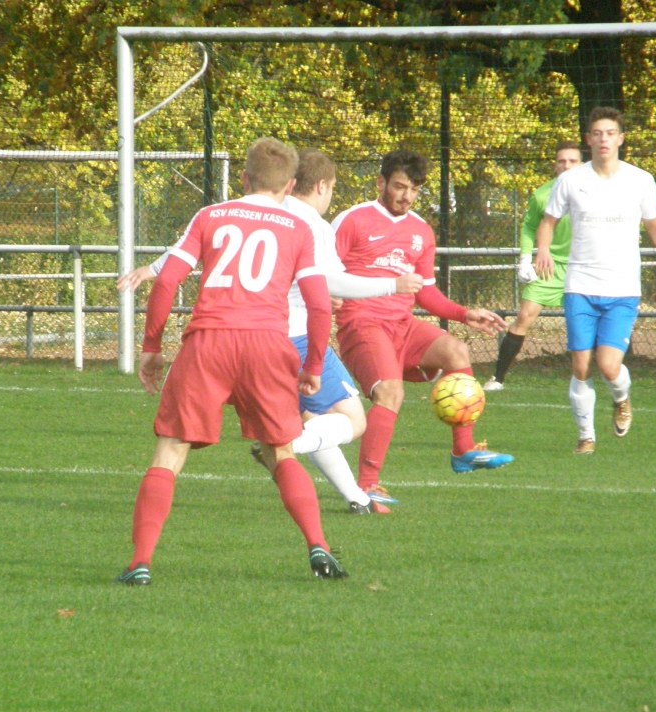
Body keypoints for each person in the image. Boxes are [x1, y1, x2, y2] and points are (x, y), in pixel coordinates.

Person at [118, 149, 426, 515]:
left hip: (222, 337)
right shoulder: (308, 223)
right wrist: (391, 285)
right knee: (352, 419)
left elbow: (196, 242)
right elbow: (326, 283)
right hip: (288, 337)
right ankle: (287, 459)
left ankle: (357, 498)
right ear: (321, 186)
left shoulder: (240, 209)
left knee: (309, 420)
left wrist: (153, 270)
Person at [116, 138, 345, 586]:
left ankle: (140, 563)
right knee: (280, 452)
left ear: (243, 178)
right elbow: (320, 305)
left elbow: (166, 282)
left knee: (170, 450)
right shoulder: (299, 228)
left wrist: (152, 347)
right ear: (290, 185)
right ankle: (319, 547)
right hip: (268, 346)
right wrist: (314, 366)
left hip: (209, 343)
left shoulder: (210, 215)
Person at [332, 149, 514, 494]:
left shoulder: (421, 231)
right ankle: (367, 486)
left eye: (414, 190)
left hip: (402, 325)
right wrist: (327, 296)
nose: (407, 196)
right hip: (363, 324)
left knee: (456, 351)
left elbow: (425, 293)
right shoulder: (352, 220)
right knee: (391, 393)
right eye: (400, 187)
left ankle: (463, 451)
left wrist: (464, 314)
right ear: (381, 182)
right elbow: (321, 271)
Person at [535, 106, 656, 454]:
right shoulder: (570, 180)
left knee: (608, 366)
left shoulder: (640, 180)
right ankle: (586, 436)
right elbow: (548, 222)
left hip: (622, 288)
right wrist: (542, 250)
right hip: (580, 285)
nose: (603, 139)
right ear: (588, 140)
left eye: (610, 133)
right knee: (580, 365)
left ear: (620, 139)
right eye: (597, 134)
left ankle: (621, 397)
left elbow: (654, 225)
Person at [484, 141, 583, 391]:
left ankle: (588, 378)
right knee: (524, 316)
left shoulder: (594, 193)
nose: (567, 165)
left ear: (582, 164)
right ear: (555, 166)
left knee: (583, 325)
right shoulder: (542, 194)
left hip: (583, 267)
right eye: (561, 161)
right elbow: (529, 227)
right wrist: (526, 259)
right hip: (548, 266)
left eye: (572, 161)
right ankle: (498, 378)